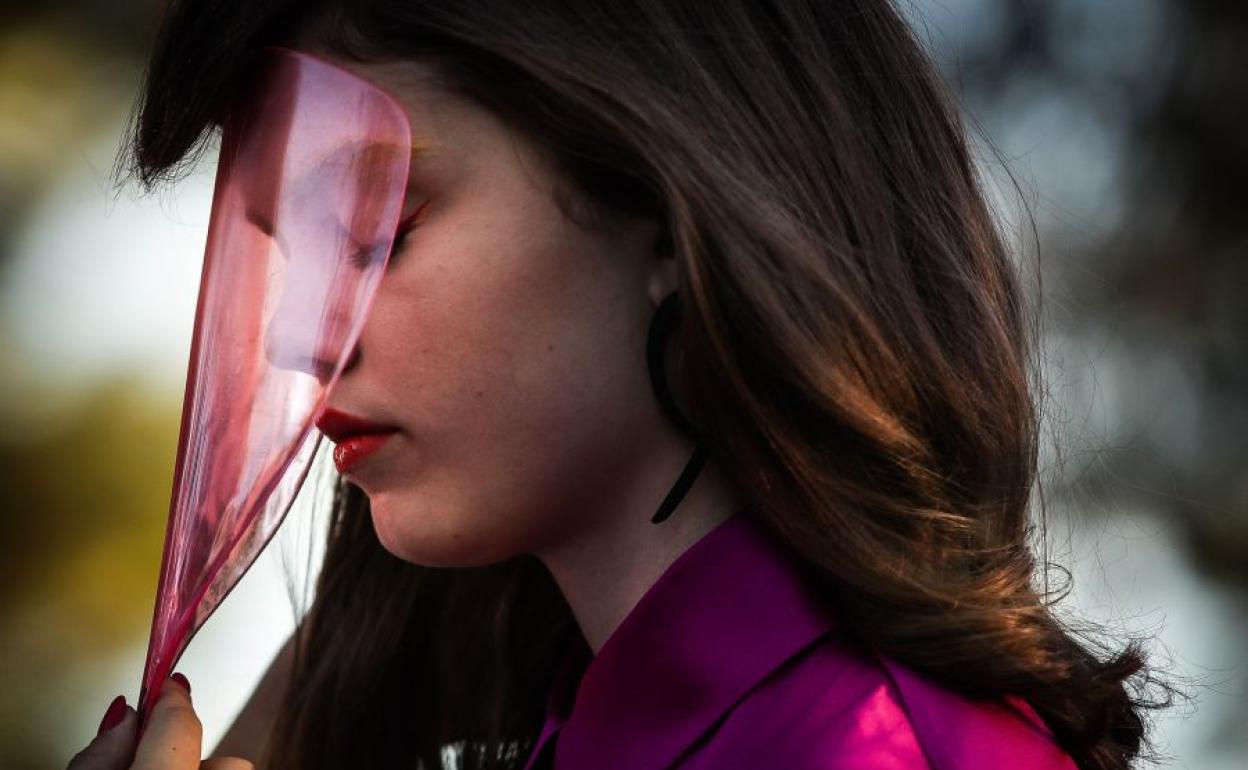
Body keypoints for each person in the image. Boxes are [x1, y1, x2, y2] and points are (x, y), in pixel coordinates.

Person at [68, 1, 1168, 769]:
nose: (296, 339)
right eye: (284, 256)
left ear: (666, 204)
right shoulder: (593, 724)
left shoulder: (866, 749)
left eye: (372, 232)